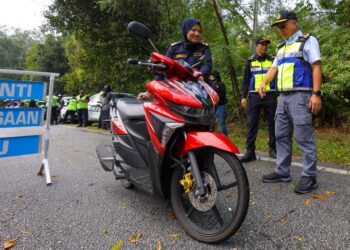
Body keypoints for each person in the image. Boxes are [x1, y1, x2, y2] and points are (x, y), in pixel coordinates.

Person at [258, 10, 322, 194]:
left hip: (301, 96)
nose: (281, 29)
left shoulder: (308, 41)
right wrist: (264, 82)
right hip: (282, 98)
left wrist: (316, 94)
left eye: (283, 25)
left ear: (294, 23)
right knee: (281, 135)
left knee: (303, 136)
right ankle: (282, 171)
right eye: (278, 26)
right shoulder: (281, 47)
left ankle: (310, 175)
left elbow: (316, 66)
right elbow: (273, 69)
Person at [138, 18, 212, 100]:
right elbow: (162, 69)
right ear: (186, 30)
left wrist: (201, 75)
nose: (197, 33)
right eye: (193, 30)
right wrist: (150, 92)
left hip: (200, 91)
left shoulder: (204, 48)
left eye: (199, 31)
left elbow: (207, 64)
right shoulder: (175, 48)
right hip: (177, 92)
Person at [240, 36, 277, 163]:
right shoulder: (250, 61)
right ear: (256, 46)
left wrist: (278, 95)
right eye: (261, 44)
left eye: (266, 44)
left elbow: (276, 78)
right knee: (251, 123)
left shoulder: (272, 60)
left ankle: (273, 148)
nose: (264, 47)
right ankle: (250, 151)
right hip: (254, 96)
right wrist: (243, 97)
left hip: (270, 95)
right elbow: (245, 80)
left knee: (272, 122)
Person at [209, 70, 228, 136]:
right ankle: (214, 137)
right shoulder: (211, 84)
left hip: (221, 105)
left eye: (212, 75)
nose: (211, 76)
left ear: (216, 76)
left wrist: (215, 95)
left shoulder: (221, 84)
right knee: (212, 122)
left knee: (221, 122)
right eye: (210, 75)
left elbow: (223, 94)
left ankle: (225, 137)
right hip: (213, 106)